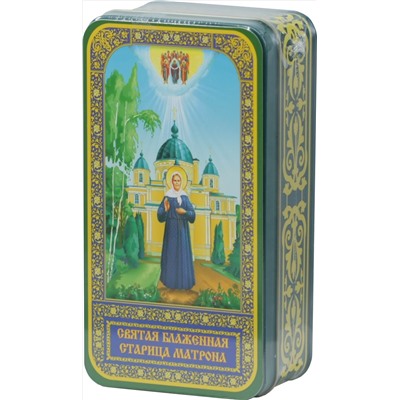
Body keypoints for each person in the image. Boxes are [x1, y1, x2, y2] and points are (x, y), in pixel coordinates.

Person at [157, 171, 196, 289]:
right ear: (171, 182)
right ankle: (170, 283)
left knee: (182, 255)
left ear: (181, 182)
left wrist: (185, 212)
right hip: (171, 230)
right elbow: (160, 216)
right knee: (171, 254)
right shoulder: (167, 197)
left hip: (183, 230)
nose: (177, 183)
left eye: (179, 181)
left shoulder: (185, 197)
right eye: (175, 180)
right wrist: (166, 209)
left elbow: (193, 215)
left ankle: (184, 283)